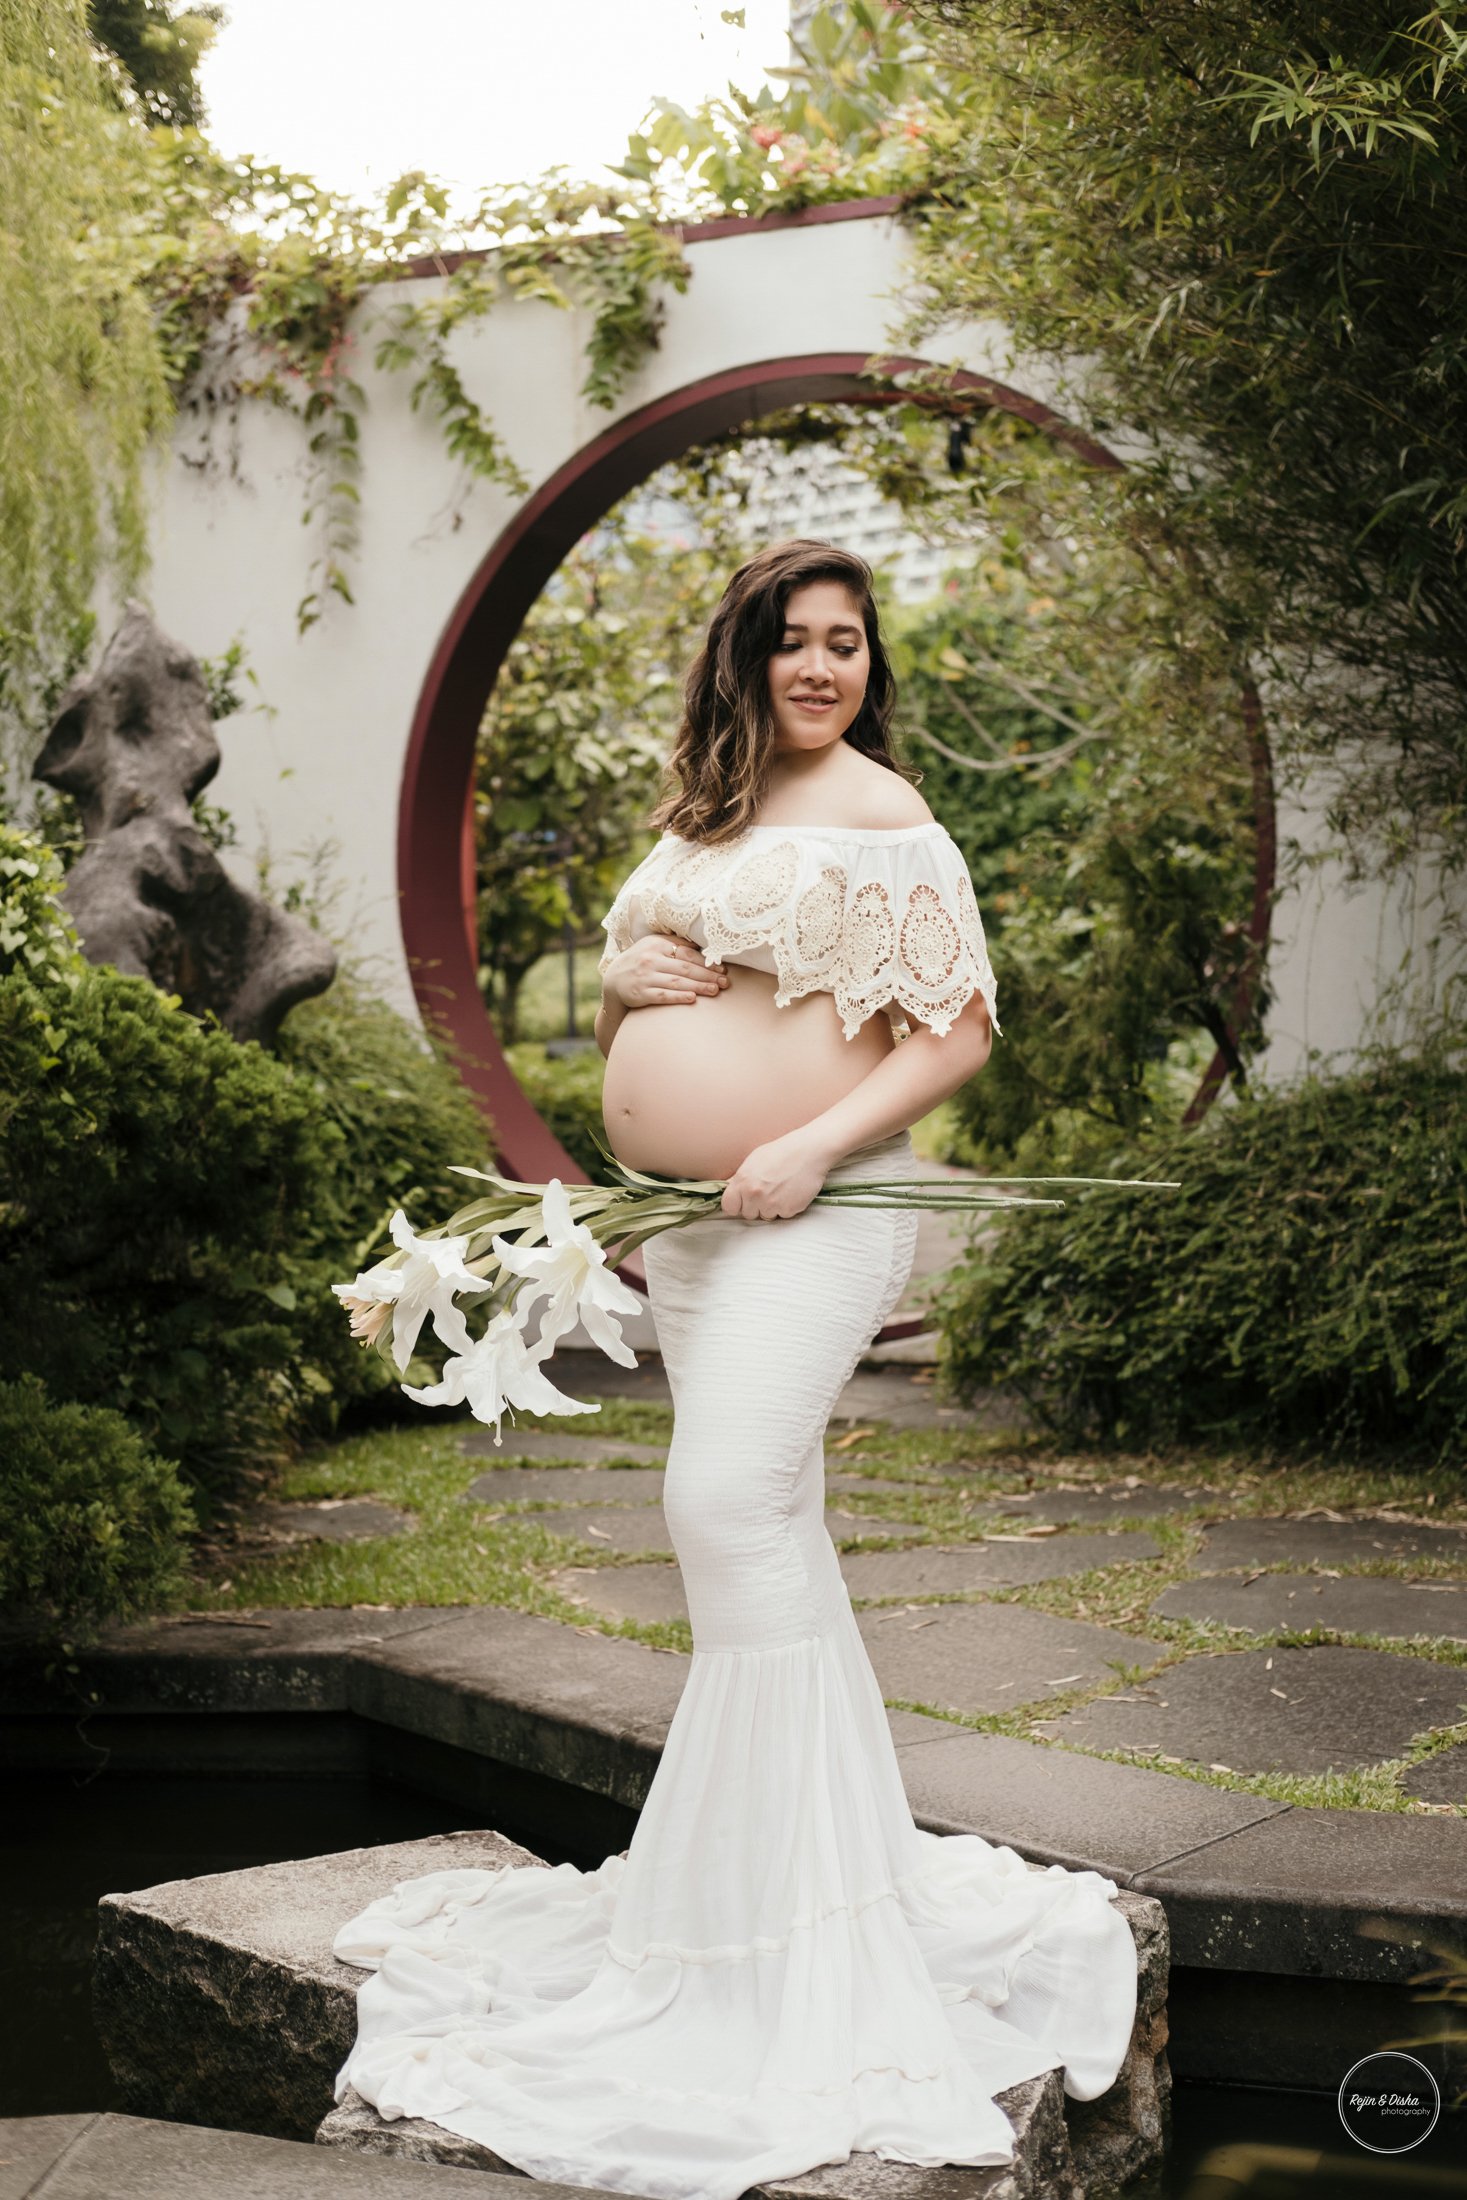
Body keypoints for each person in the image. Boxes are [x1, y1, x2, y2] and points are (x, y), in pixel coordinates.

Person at [331, 540, 1138, 2199]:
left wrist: (809, 1144)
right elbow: (645, 997)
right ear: (746, 657)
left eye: (848, 642)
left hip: (817, 1214)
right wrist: (622, 989)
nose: (824, 666)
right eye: (795, 641)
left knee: (721, 1507)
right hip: (690, 1231)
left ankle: (779, 1935)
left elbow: (956, 1029)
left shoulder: (884, 812)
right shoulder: (705, 806)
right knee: (775, 1531)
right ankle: (813, 1881)